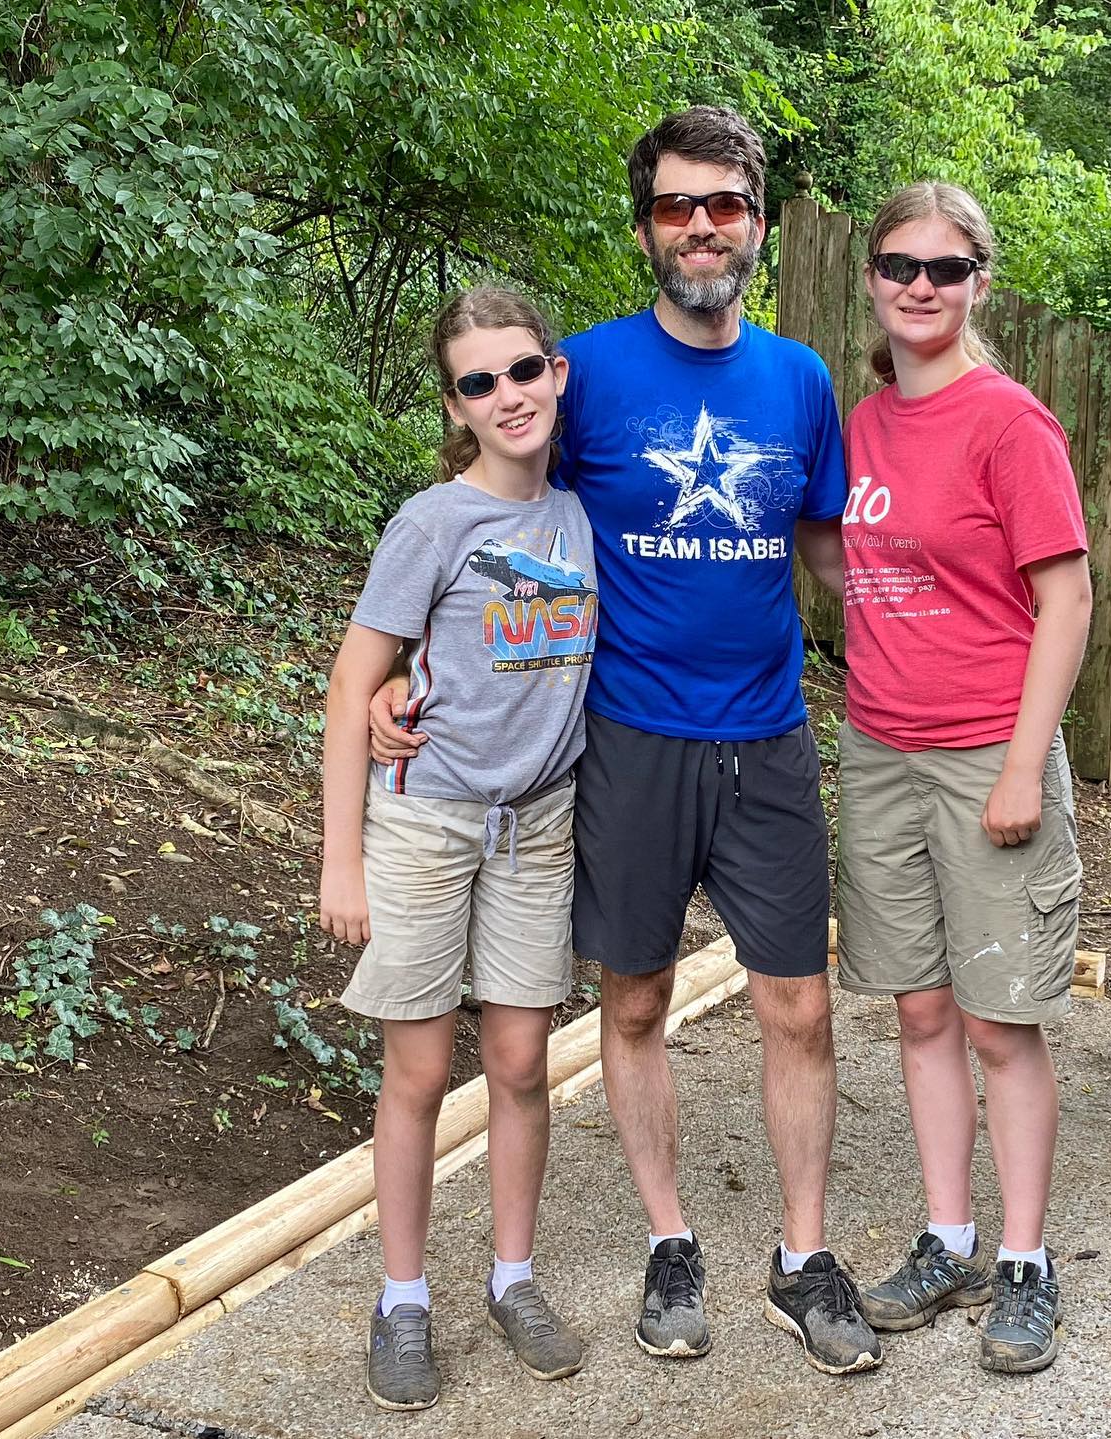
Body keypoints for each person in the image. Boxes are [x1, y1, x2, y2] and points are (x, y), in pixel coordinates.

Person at [372, 107, 880, 1376]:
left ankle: (803, 1257)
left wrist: (925, 617)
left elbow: (828, 549)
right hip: (626, 740)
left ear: (759, 221)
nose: (700, 226)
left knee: (800, 1005)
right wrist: (400, 671)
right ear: (648, 225)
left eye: (723, 203)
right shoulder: (584, 371)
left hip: (765, 735)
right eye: (674, 206)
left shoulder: (803, 380)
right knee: (636, 999)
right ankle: (670, 1243)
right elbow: (490, 511)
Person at [322, 288, 598, 1409]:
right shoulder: (432, 521)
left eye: (522, 370)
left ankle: (514, 1275)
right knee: (422, 1070)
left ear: (556, 373)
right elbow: (355, 681)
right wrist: (340, 856)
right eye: (479, 382)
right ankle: (401, 1298)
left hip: (539, 823)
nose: (506, 396)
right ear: (457, 404)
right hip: (427, 821)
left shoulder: (582, 519)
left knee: (524, 1062)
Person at [836, 182, 1092, 1375]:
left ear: (979, 280)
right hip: (878, 748)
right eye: (900, 265)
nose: (920, 286)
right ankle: (950, 1234)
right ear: (874, 276)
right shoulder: (865, 423)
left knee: (1000, 1021)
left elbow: (1067, 598)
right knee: (921, 1007)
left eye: (946, 268)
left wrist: (1024, 763)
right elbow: (843, 550)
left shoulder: (1009, 422)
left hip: (988, 752)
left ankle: (1028, 1264)